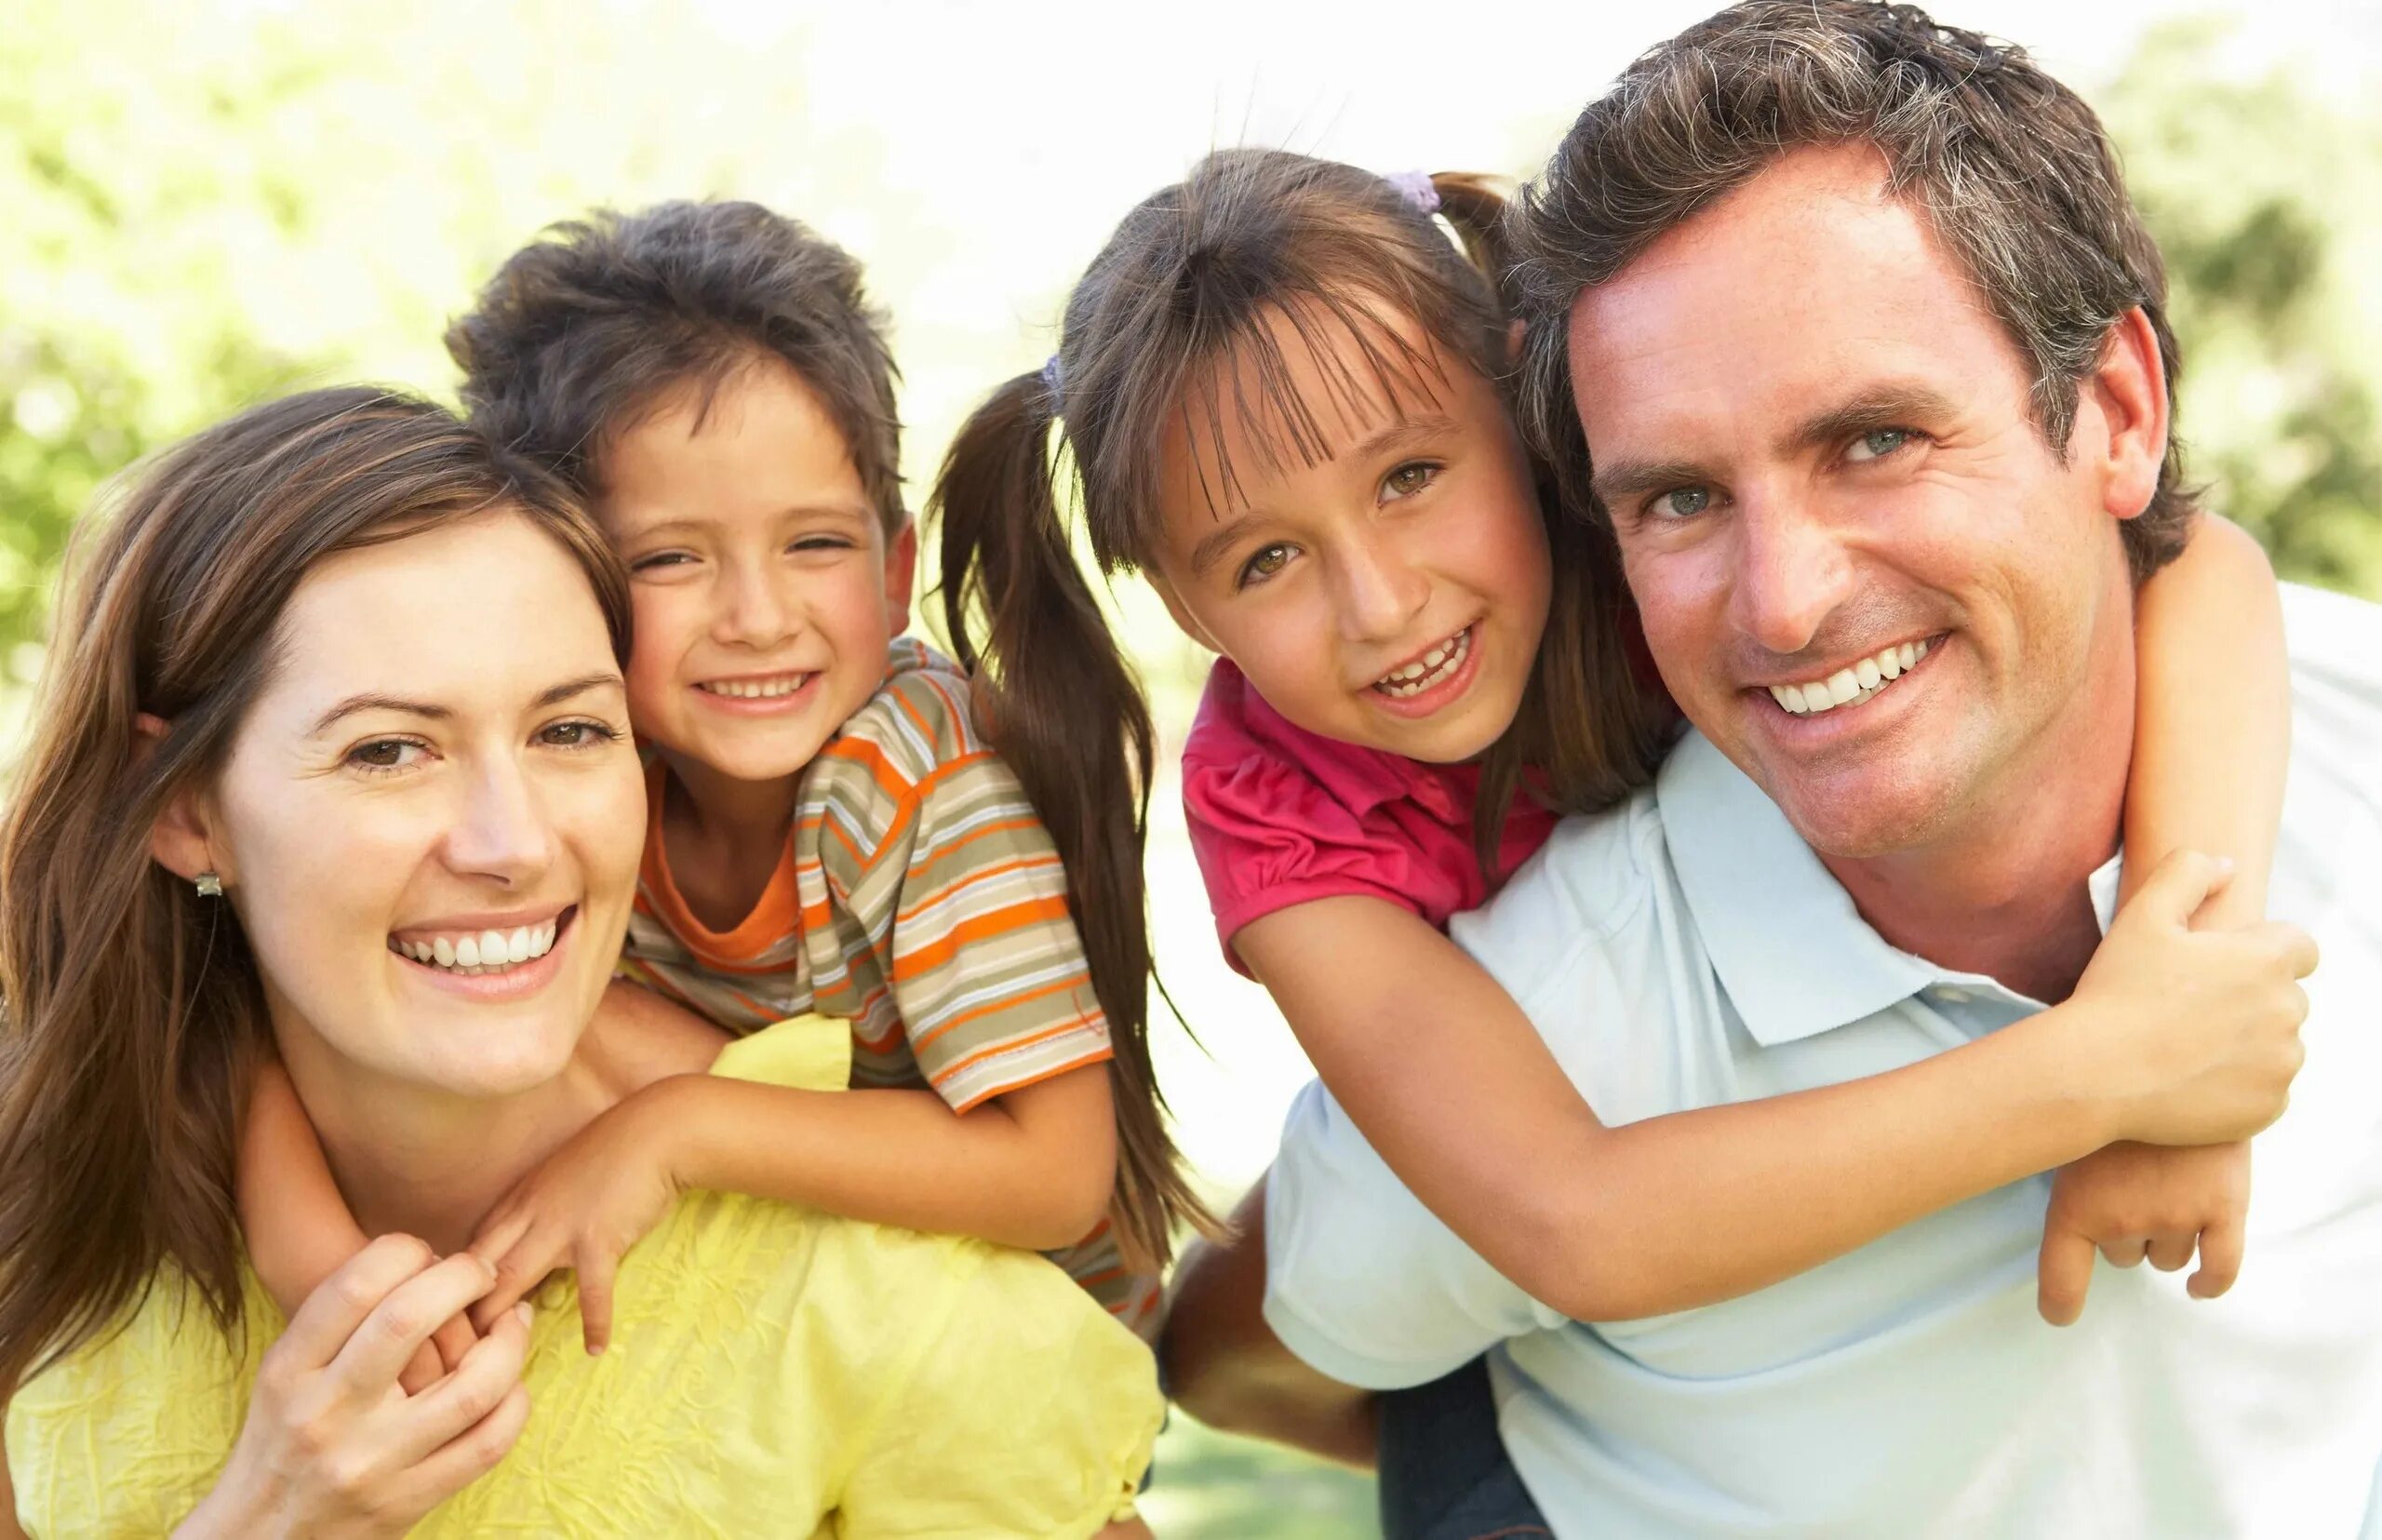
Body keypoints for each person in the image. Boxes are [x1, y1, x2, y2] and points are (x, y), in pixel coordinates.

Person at [931, 144, 2311, 1534]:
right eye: (1265, 560)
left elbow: (2199, 560)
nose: (1381, 601)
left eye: (1410, 474)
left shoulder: (1673, 542)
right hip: (1507, 1232)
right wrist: (2115, 1072)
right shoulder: (1270, 805)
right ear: (1185, 607)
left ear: (1534, 420)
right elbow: (1570, 1218)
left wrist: (2187, 980)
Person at [0, 389, 1162, 1536]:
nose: (514, 846)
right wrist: (274, 1517)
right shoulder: (47, 1199)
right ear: (186, 811)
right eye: (390, 748)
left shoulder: (876, 1294)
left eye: (569, 730)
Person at [237, 203, 1205, 1386]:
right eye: (670, 557)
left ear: (895, 572)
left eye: (813, 545)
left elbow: (1054, 1175)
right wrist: (320, 1262)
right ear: (560, 590)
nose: (755, 616)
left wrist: (672, 1132)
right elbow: (243, 1024)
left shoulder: (913, 779)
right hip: (770, 1308)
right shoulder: (574, 786)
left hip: (1016, 1354)